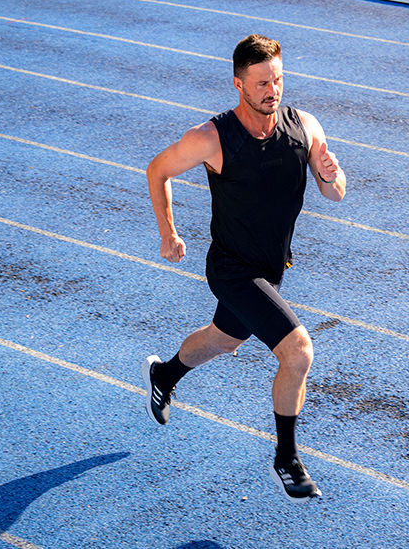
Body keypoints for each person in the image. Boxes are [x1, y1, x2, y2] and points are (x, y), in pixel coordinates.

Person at [143, 33, 346, 502]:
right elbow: (157, 171)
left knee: (223, 338)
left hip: (271, 270)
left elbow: (334, 193)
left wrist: (333, 176)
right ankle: (287, 458)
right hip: (231, 268)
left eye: (277, 79)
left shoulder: (305, 126)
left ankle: (164, 376)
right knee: (298, 351)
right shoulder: (212, 138)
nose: (271, 90)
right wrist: (167, 233)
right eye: (260, 82)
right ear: (239, 84)